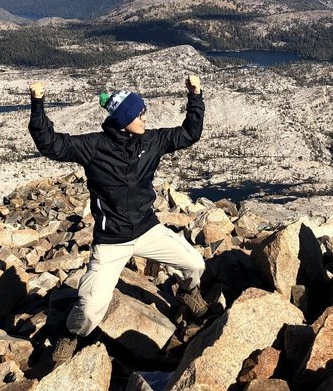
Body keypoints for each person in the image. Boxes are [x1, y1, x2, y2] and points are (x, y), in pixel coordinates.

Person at [28, 75, 208, 359]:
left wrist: (195, 96)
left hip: (148, 229)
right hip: (111, 240)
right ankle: (71, 333)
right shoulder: (93, 147)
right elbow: (50, 144)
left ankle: (188, 293)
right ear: (124, 119)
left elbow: (189, 133)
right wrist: (37, 104)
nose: (145, 117)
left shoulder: (152, 141)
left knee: (194, 264)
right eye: (140, 113)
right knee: (89, 308)